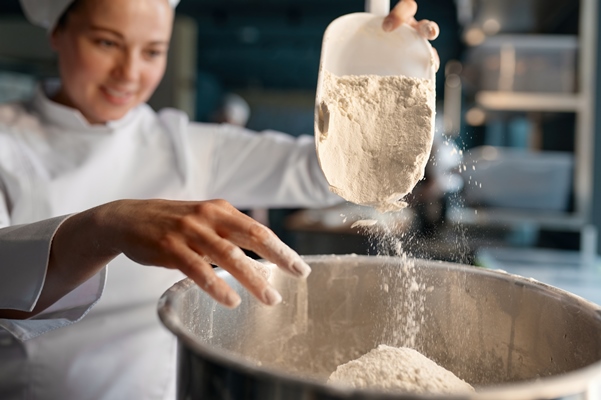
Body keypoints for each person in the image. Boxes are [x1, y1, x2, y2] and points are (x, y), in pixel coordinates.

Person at [0, 0, 440, 398]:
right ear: (57, 31)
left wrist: (390, 73)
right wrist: (109, 225)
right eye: (106, 42)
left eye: (153, 51)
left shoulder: (182, 144)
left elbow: (327, 168)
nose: (129, 73)